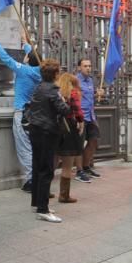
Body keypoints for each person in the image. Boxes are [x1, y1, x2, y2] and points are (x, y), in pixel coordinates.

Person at [0, 28, 41, 193]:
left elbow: (6, 59)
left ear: (27, 59)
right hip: (35, 115)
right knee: (34, 147)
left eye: (26, 55)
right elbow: (33, 56)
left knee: (25, 148)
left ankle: (31, 181)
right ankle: (37, 177)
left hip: (22, 113)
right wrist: (25, 43)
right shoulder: (40, 71)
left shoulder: (23, 70)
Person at [26, 59, 72, 222]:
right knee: (46, 170)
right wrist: (66, 100)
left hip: (35, 130)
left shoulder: (38, 87)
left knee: (37, 166)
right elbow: (64, 110)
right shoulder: (53, 89)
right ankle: (43, 209)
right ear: (55, 74)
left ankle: (36, 203)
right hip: (47, 131)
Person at [55, 72, 86, 203]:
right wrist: (81, 121)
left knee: (52, 163)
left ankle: (44, 192)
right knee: (67, 165)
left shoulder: (56, 94)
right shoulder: (72, 93)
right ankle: (64, 195)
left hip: (56, 130)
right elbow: (78, 111)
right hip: (69, 131)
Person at [76, 58, 102, 178]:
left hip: (91, 116)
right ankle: (79, 171)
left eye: (89, 66)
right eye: (85, 66)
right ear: (79, 67)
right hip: (80, 117)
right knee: (79, 144)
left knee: (93, 141)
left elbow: (90, 96)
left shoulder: (90, 80)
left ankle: (86, 167)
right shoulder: (75, 81)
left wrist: (98, 94)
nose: (88, 68)